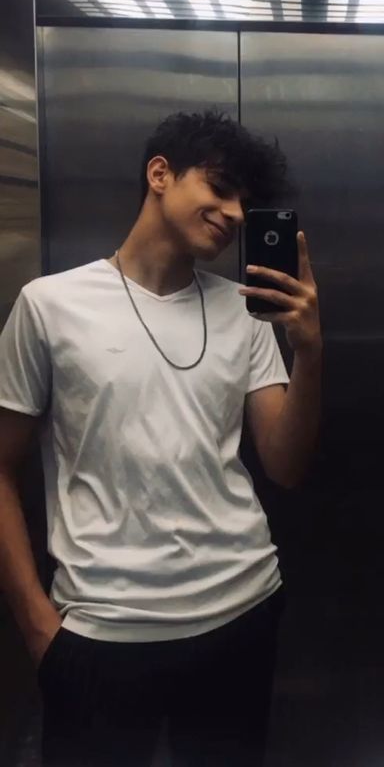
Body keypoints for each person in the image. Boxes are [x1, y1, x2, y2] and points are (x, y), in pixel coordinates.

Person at [0, 110, 322, 767]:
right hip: (101, 631)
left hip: (242, 610)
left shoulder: (244, 311)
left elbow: (285, 465)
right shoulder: (50, 305)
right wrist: (36, 623)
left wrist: (311, 351)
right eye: (220, 188)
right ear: (159, 174)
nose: (234, 214)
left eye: (245, 202)